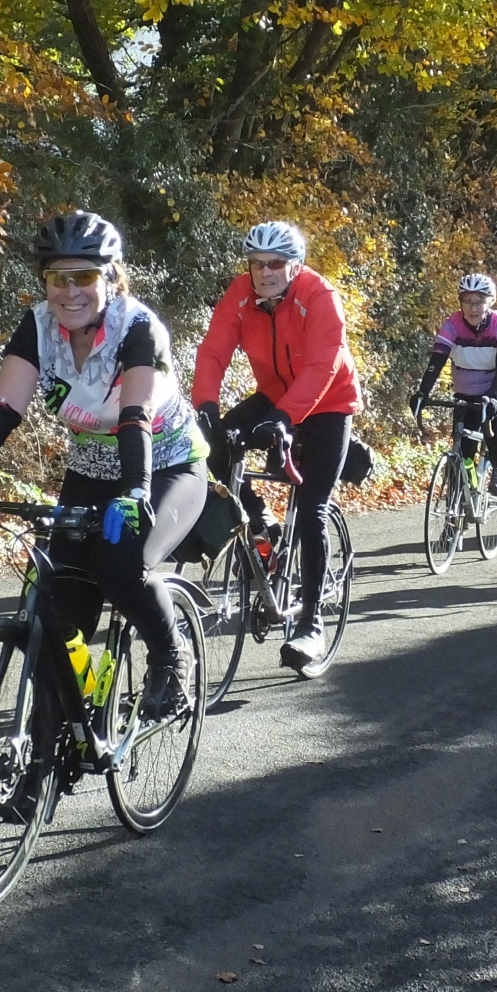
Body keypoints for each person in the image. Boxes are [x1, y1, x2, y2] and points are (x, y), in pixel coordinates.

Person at [0, 211, 207, 719]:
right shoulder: (38, 327)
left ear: (111, 278)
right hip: (89, 470)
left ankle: (171, 655)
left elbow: (135, 415)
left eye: (84, 276)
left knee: (121, 567)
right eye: (57, 278)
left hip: (166, 466)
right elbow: (3, 408)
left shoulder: (138, 327)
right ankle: (57, 738)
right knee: (55, 605)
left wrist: (136, 489)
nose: (69, 291)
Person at [192, 220, 361, 671]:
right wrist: (206, 406)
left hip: (328, 401)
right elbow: (213, 351)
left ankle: (311, 624)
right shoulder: (241, 295)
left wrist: (285, 420)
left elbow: (323, 364)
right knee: (214, 447)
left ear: (294, 265)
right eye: (256, 264)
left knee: (311, 509)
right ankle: (261, 521)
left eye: (275, 264)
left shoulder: (319, 296)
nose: (264, 272)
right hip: (274, 392)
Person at [407, 273, 497, 497]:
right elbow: (436, 362)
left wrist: (492, 397)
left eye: (479, 301)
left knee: (494, 412)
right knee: (463, 454)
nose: (473, 308)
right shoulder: (452, 325)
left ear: (490, 302)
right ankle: (461, 504)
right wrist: (422, 392)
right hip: (468, 392)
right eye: (467, 301)